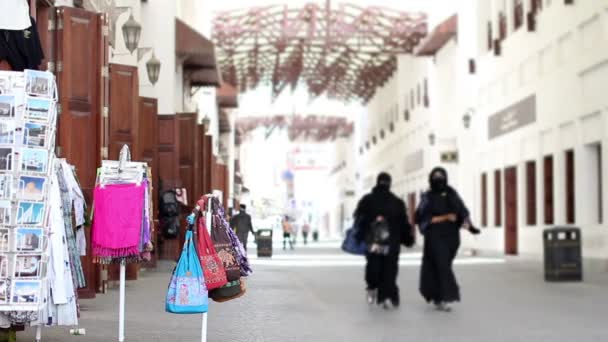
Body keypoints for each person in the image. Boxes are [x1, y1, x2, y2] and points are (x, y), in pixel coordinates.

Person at [415, 167, 480, 312]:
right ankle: (446, 298)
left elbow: (462, 210)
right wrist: (445, 217)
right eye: (435, 176)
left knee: (443, 266)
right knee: (442, 266)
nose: (438, 179)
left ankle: (437, 297)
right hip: (434, 237)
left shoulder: (451, 193)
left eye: (441, 176)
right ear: (431, 179)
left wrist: (470, 226)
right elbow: (421, 217)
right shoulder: (428, 197)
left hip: (451, 237)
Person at [354, 172, 414, 309]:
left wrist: (359, 235)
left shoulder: (367, 200)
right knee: (390, 269)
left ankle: (375, 290)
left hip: (374, 242)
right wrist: (408, 239)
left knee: (374, 267)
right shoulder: (397, 202)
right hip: (392, 243)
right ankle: (385, 296)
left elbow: (359, 219)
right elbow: (404, 223)